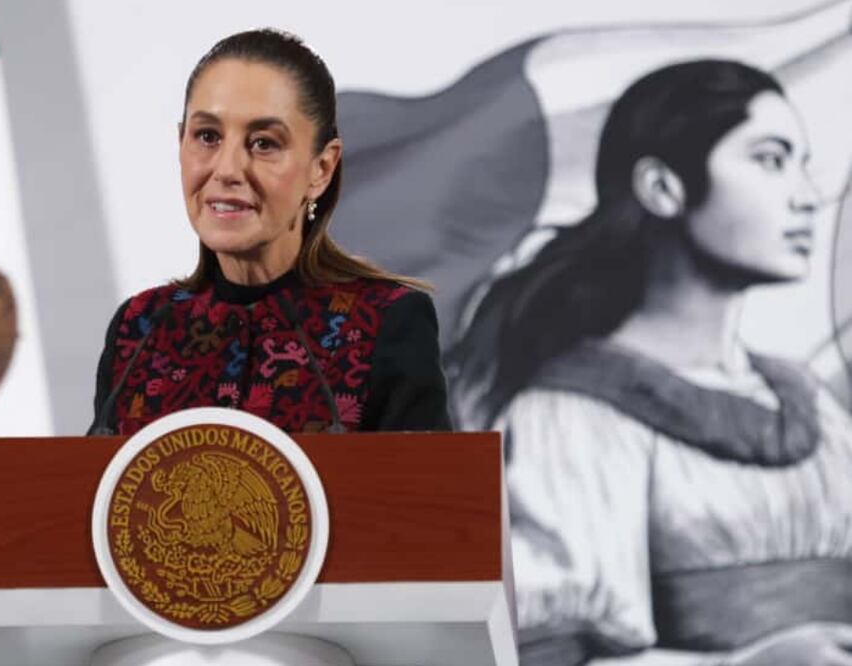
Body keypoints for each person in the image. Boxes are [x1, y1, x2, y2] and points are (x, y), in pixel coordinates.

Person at [447, 60, 852, 665]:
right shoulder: (571, 416)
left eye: (803, 165)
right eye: (770, 160)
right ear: (663, 187)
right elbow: (549, 653)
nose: (808, 197)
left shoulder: (811, 402)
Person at [90, 29, 450, 437]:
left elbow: (427, 496)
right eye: (207, 137)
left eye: (263, 143)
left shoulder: (387, 322)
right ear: (180, 144)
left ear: (321, 169)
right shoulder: (138, 330)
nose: (227, 170)